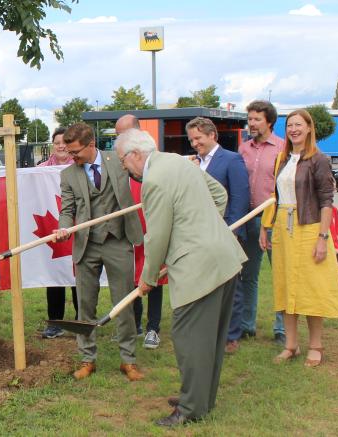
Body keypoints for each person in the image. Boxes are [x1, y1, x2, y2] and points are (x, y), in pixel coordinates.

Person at [116, 128, 245, 427]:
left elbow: (157, 236)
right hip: (225, 258)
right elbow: (219, 195)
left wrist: (148, 278)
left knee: (189, 338)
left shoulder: (153, 180)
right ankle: (200, 398)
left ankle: (190, 408)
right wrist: (203, 225)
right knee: (210, 340)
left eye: (123, 161)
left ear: (135, 154)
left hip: (199, 267)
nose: (124, 168)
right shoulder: (177, 161)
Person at [51, 123, 144, 382]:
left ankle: (128, 360)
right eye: (69, 152)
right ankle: (87, 359)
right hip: (87, 244)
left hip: (118, 240)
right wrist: (64, 228)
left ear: (91, 144)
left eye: (76, 152)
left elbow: (145, 172)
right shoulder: (69, 175)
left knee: (124, 303)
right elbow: (67, 210)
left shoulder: (119, 161)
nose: (72, 157)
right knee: (85, 305)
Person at [262, 108, 338, 367]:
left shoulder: (318, 159)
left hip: (309, 228)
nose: (293, 129)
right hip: (283, 228)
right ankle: (291, 345)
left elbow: (326, 201)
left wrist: (323, 237)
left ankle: (315, 345)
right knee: (286, 285)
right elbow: (275, 197)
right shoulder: (282, 159)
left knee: (311, 289)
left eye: (298, 124)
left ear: (309, 128)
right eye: (290, 125)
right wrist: (265, 228)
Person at [184, 116, 251, 354]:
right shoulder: (193, 163)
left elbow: (240, 198)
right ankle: (208, 330)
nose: (195, 143)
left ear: (212, 135)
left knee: (231, 285)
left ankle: (231, 335)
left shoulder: (231, 160)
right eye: (191, 140)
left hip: (225, 232)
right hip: (199, 233)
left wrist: (233, 231)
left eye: (198, 138)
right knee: (205, 284)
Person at [238, 100, 286, 345]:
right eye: (250, 119)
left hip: (276, 221)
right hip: (250, 219)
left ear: (270, 121)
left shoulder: (283, 148)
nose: (252, 124)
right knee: (249, 275)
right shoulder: (243, 149)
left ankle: (282, 329)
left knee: (281, 275)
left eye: (257, 119)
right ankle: (247, 325)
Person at [117, 115, 164, 349]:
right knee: (130, 273)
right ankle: (133, 323)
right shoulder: (120, 158)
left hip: (152, 221)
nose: (119, 138)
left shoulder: (151, 156)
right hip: (130, 223)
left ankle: (153, 328)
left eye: (123, 134)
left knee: (154, 272)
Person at [37, 126, 77, 339]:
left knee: (78, 274)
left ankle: (81, 321)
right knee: (53, 275)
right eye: (57, 143)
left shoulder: (79, 167)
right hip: (50, 226)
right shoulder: (41, 169)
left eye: (65, 143)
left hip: (75, 225)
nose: (61, 146)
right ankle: (55, 322)